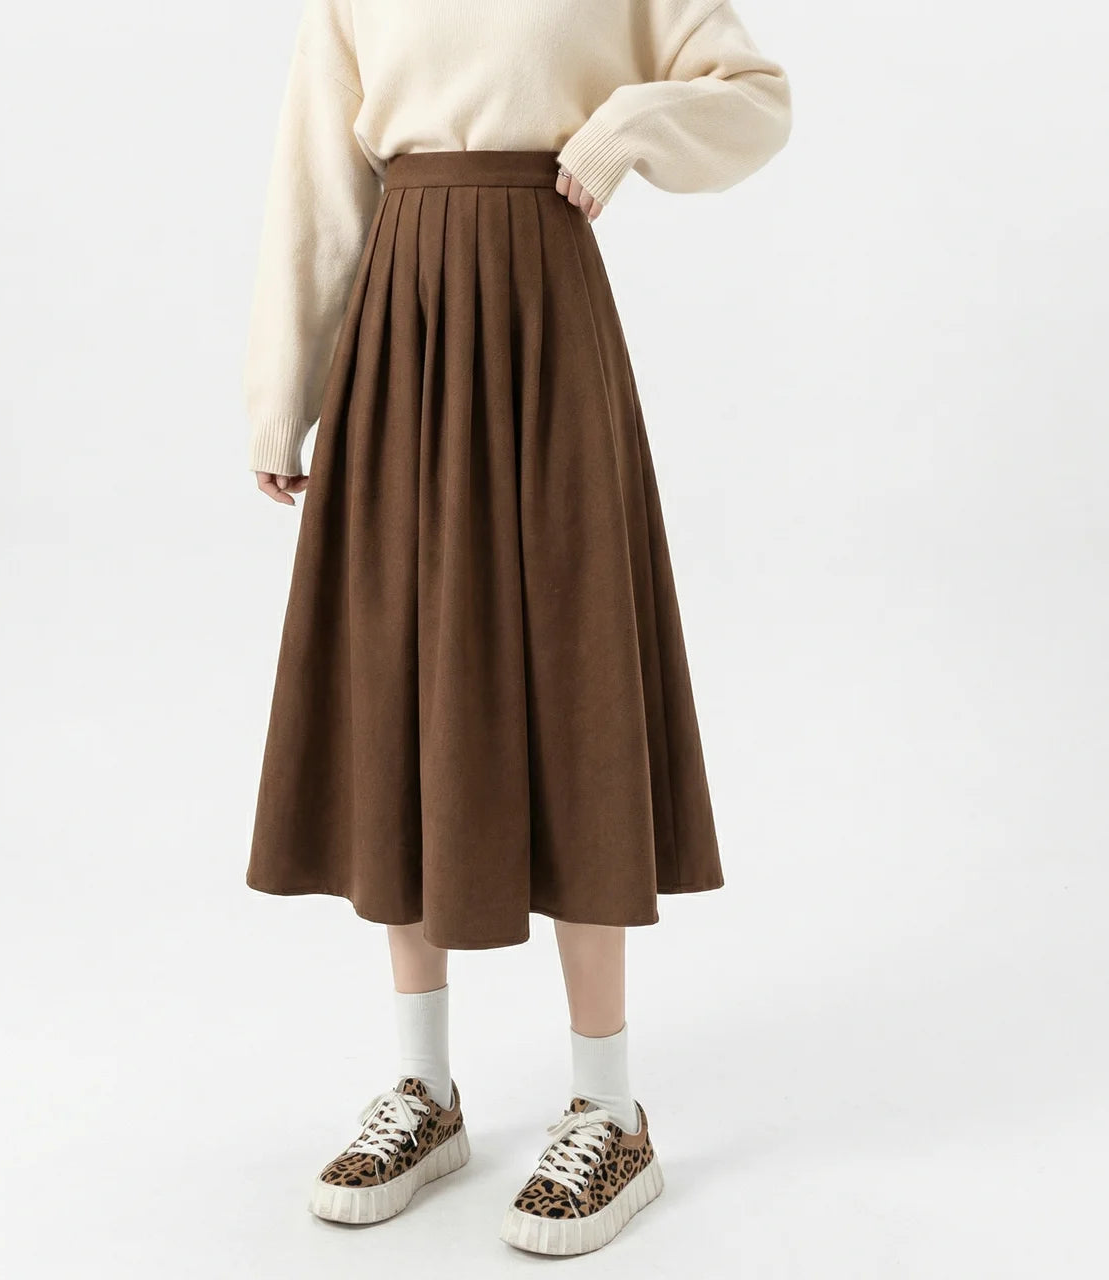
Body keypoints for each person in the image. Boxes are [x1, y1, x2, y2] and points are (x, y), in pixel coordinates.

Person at [240, 0, 790, 1256]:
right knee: (400, 676)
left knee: (574, 680)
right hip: (401, 328)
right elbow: (318, 177)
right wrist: (282, 392)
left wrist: (625, 126)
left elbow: (755, 98)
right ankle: (424, 1091)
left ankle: (608, 1106)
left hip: (545, 320)